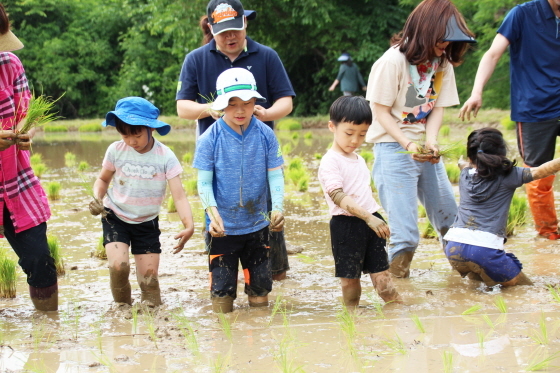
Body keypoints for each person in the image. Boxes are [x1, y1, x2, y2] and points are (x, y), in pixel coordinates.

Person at [176, 0, 295, 281]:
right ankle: (221, 276)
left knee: (267, 210)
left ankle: (272, 274)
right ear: (211, 28)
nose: (230, 37)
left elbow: (286, 102)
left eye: (235, 30)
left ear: (245, 24)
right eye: (223, 32)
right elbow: (183, 108)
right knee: (217, 214)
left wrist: (264, 115)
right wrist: (214, 110)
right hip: (217, 152)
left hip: (258, 148)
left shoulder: (266, 56)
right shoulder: (196, 59)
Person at [365, 0, 476, 278]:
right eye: (442, 39)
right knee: (405, 237)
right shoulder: (392, 62)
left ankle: (468, 282)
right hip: (393, 149)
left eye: (451, 41)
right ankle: (394, 297)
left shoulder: (442, 63)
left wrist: (432, 140)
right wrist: (407, 143)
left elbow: (436, 107)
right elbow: (379, 111)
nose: (446, 46)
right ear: (425, 31)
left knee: (452, 225)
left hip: (425, 150)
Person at [458, 0, 560, 241]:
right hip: (535, 107)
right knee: (537, 174)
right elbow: (493, 54)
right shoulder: (522, 15)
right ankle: (549, 235)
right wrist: (477, 91)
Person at [193, 68, 284, 313]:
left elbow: (275, 174)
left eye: (247, 103)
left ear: (255, 102)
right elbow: (203, 183)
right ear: (221, 105)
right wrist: (212, 215)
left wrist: (277, 208)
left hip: (257, 225)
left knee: (261, 291)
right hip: (222, 228)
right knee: (222, 295)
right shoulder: (209, 138)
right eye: (232, 104)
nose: (241, 110)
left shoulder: (266, 135)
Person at [89, 97, 195, 306]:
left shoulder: (165, 156)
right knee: (118, 267)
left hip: (147, 223)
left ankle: (152, 319)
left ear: (151, 128)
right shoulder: (116, 150)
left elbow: (179, 195)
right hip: (115, 216)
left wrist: (189, 224)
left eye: (136, 134)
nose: (131, 141)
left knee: (149, 280)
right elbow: (102, 180)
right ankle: (122, 311)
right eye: (124, 135)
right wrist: (97, 198)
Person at [443, 127, 557, 287]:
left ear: (471, 156)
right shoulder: (509, 175)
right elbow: (541, 171)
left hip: (453, 247)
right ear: (502, 152)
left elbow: (464, 166)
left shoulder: (465, 174)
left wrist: (463, 162)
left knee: (477, 287)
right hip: (484, 250)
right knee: (522, 288)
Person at [0, 3, 58, 311]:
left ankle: (49, 332)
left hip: (15, 182)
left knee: (40, 259)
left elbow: (28, 112)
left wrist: (25, 132)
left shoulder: (9, 64)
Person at [318, 96, 401, 308]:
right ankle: (352, 319)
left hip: (372, 221)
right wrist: (368, 217)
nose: (355, 140)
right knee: (350, 279)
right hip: (346, 225)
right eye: (349, 133)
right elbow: (337, 195)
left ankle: (399, 311)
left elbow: (363, 192)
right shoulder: (330, 161)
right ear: (332, 127)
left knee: (382, 276)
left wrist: (375, 219)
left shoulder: (358, 158)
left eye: (362, 134)